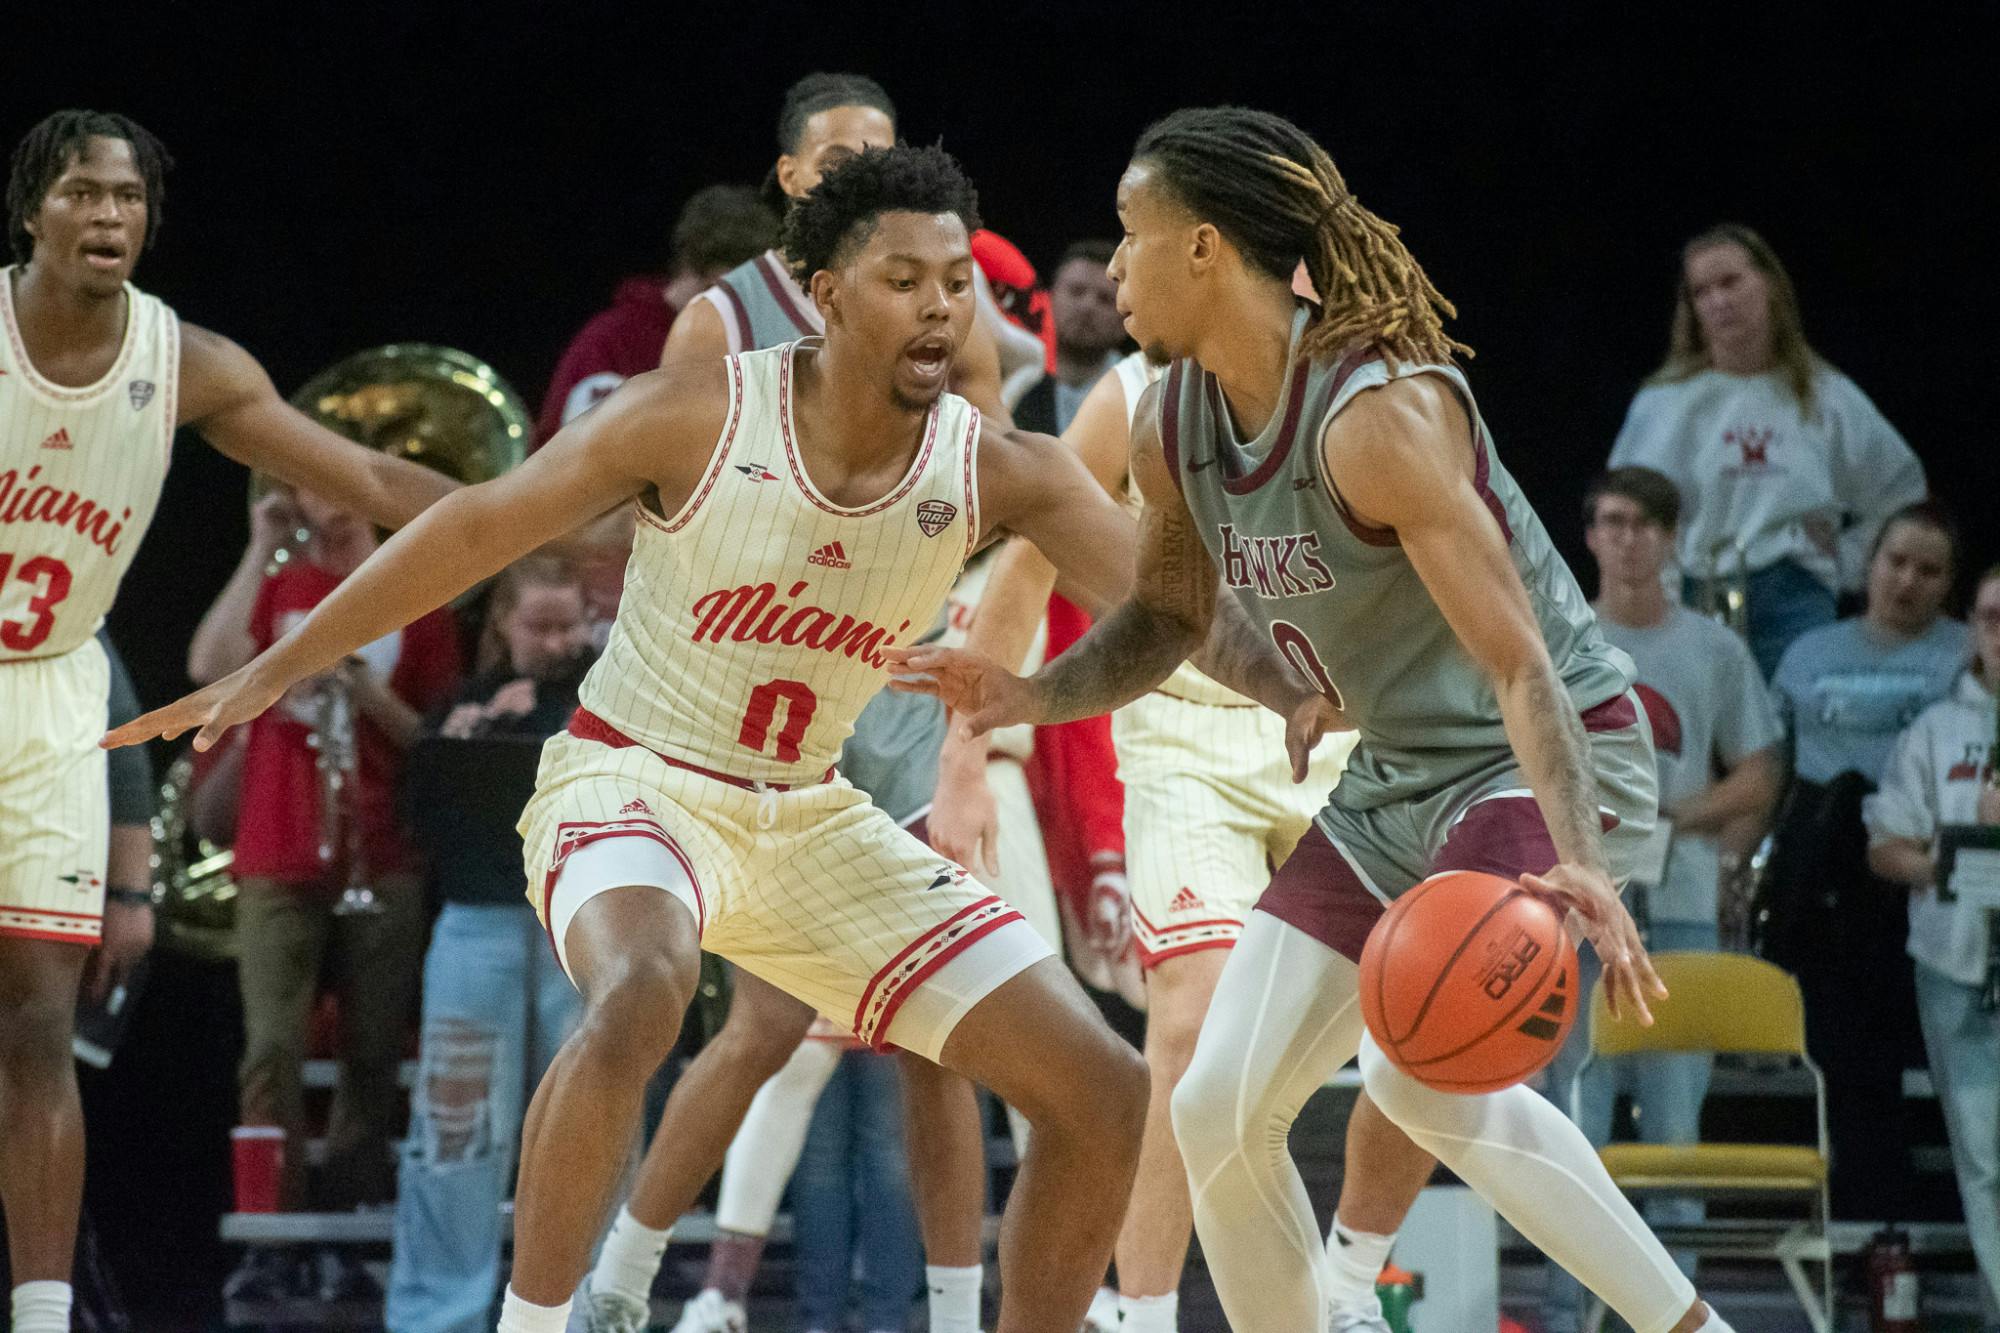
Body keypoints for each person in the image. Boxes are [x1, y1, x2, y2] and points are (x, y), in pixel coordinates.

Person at [106, 142, 1152, 1333]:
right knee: (647, 987)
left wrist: (1315, 683)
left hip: (805, 813)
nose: (939, 307)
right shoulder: (700, 413)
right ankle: (542, 1318)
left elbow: (1178, 614)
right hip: (629, 780)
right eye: (903, 278)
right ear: (824, 293)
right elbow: (472, 530)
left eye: (955, 281)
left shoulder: (998, 466)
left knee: (1103, 1087)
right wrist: (273, 665)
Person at [893, 106, 1740, 1333]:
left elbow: (1521, 667)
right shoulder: (1168, 417)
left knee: (1424, 1071)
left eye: (1131, 237)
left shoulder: (1377, 414)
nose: (1112, 267)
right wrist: (1033, 692)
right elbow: (1166, 621)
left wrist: (1579, 856)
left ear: (1205, 249)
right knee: (1214, 1101)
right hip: (1397, 768)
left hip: (1533, 750)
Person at [0, 108, 457, 1333]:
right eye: (83, 194)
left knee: (38, 1017)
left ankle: (40, 1316)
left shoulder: (189, 361)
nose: (109, 216)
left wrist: (543, 515)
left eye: (129, 198)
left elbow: (360, 480)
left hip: (47, 688)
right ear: (30, 212)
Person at [597, 72, 1024, 1333]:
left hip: (895, 675)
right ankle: (632, 1279)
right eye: (837, 156)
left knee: (938, 1018)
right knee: (763, 1022)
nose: (857, 172)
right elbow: (656, 540)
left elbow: (1008, 491)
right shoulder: (715, 325)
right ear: (788, 178)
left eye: (880, 154)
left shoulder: (954, 309)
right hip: (748, 698)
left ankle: (952, 1310)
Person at [927, 348, 1356, 1332]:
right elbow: (1030, 556)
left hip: (1337, 724)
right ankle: (1142, 1311)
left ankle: (1350, 1286)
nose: (1120, 273)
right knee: (1185, 1025)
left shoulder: (1358, 381)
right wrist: (963, 756)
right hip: (1188, 726)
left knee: (1410, 1034)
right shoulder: (1131, 392)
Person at [188, 483, 460, 1300]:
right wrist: (257, 545)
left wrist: (359, 687)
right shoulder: (282, 581)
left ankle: (345, 1233)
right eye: (308, 480)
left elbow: (439, 738)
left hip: (383, 851)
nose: (324, 498)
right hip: (278, 848)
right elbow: (206, 667)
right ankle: (271, 1241)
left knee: (372, 1054)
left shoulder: (419, 583)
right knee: (270, 1047)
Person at [1542, 466, 1783, 1332]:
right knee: (1573, 1121)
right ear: (1591, 535)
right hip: (1576, 908)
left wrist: (1677, 813)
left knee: (1675, 1129)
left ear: (1672, 536)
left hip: (1676, 900)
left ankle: (1673, 1314)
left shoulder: (1712, 650)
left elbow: (1759, 772)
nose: (1629, 537)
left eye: (1646, 523)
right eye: (1612, 521)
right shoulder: (1560, 636)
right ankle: (1568, 1314)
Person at [385, 556, 595, 1333]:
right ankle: (437, 1312)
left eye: (567, 624)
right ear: (504, 623)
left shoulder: (608, 700)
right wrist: (477, 731)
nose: (554, 641)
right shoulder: (463, 706)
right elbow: (420, 815)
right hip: (479, 921)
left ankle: (586, 1310)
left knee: (589, 1123)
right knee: (455, 1129)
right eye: (538, 625)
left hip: (578, 927)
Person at [1765, 501, 1968, 1217]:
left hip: (1939, 874)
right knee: (1850, 1066)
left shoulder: (1968, 654)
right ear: (1869, 563)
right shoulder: (1808, 656)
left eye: (1928, 569)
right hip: (1832, 883)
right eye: (1896, 561)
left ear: (1949, 584)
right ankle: (1868, 1235)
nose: (1907, 580)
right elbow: (1774, 774)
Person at [1608, 224, 1926, 678]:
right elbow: (1625, 509)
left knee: (1788, 738)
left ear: (1771, 284)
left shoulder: (1826, 396)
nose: (1718, 301)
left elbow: (1901, 493)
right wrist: (1660, 588)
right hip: (1696, 592)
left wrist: (1849, 560)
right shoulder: (1665, 403)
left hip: (1795, 594)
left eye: (1730, 282)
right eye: (1702, 291)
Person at [1864, 563, 2000, 1321]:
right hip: (1955, 965)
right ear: (1972, 628)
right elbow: (1887, 846)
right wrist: (1955, 859)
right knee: (1982, 1157)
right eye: (1990, 617)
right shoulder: (1936, 730)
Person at [536, 185, 777, 442]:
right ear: (697, 266)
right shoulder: (608, 339)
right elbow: (555, 457)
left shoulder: (747, 343)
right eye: (738, 280)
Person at [789, 1044, 924, 1333]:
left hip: (816, 1014)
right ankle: (888, 1322)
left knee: (819, 1163)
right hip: (890, 1016)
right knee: (891, 1159)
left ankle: (820, 1320)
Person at [1010, 241, 1127, 435]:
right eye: (1076, 291)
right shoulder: (1008, 373)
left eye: (1105, 299)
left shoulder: (1142, 392)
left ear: (1126, 317)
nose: (1087, 307)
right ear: (1048, 298)